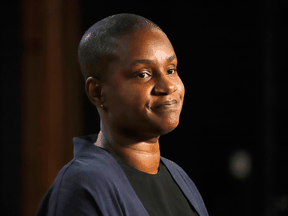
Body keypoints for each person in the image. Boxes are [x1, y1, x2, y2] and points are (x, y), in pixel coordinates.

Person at [37, 13, 209, 216]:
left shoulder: (178, 177)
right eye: (143, 74)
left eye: (171, 70)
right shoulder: (82, 186)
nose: (168, 86)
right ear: (97, 92)